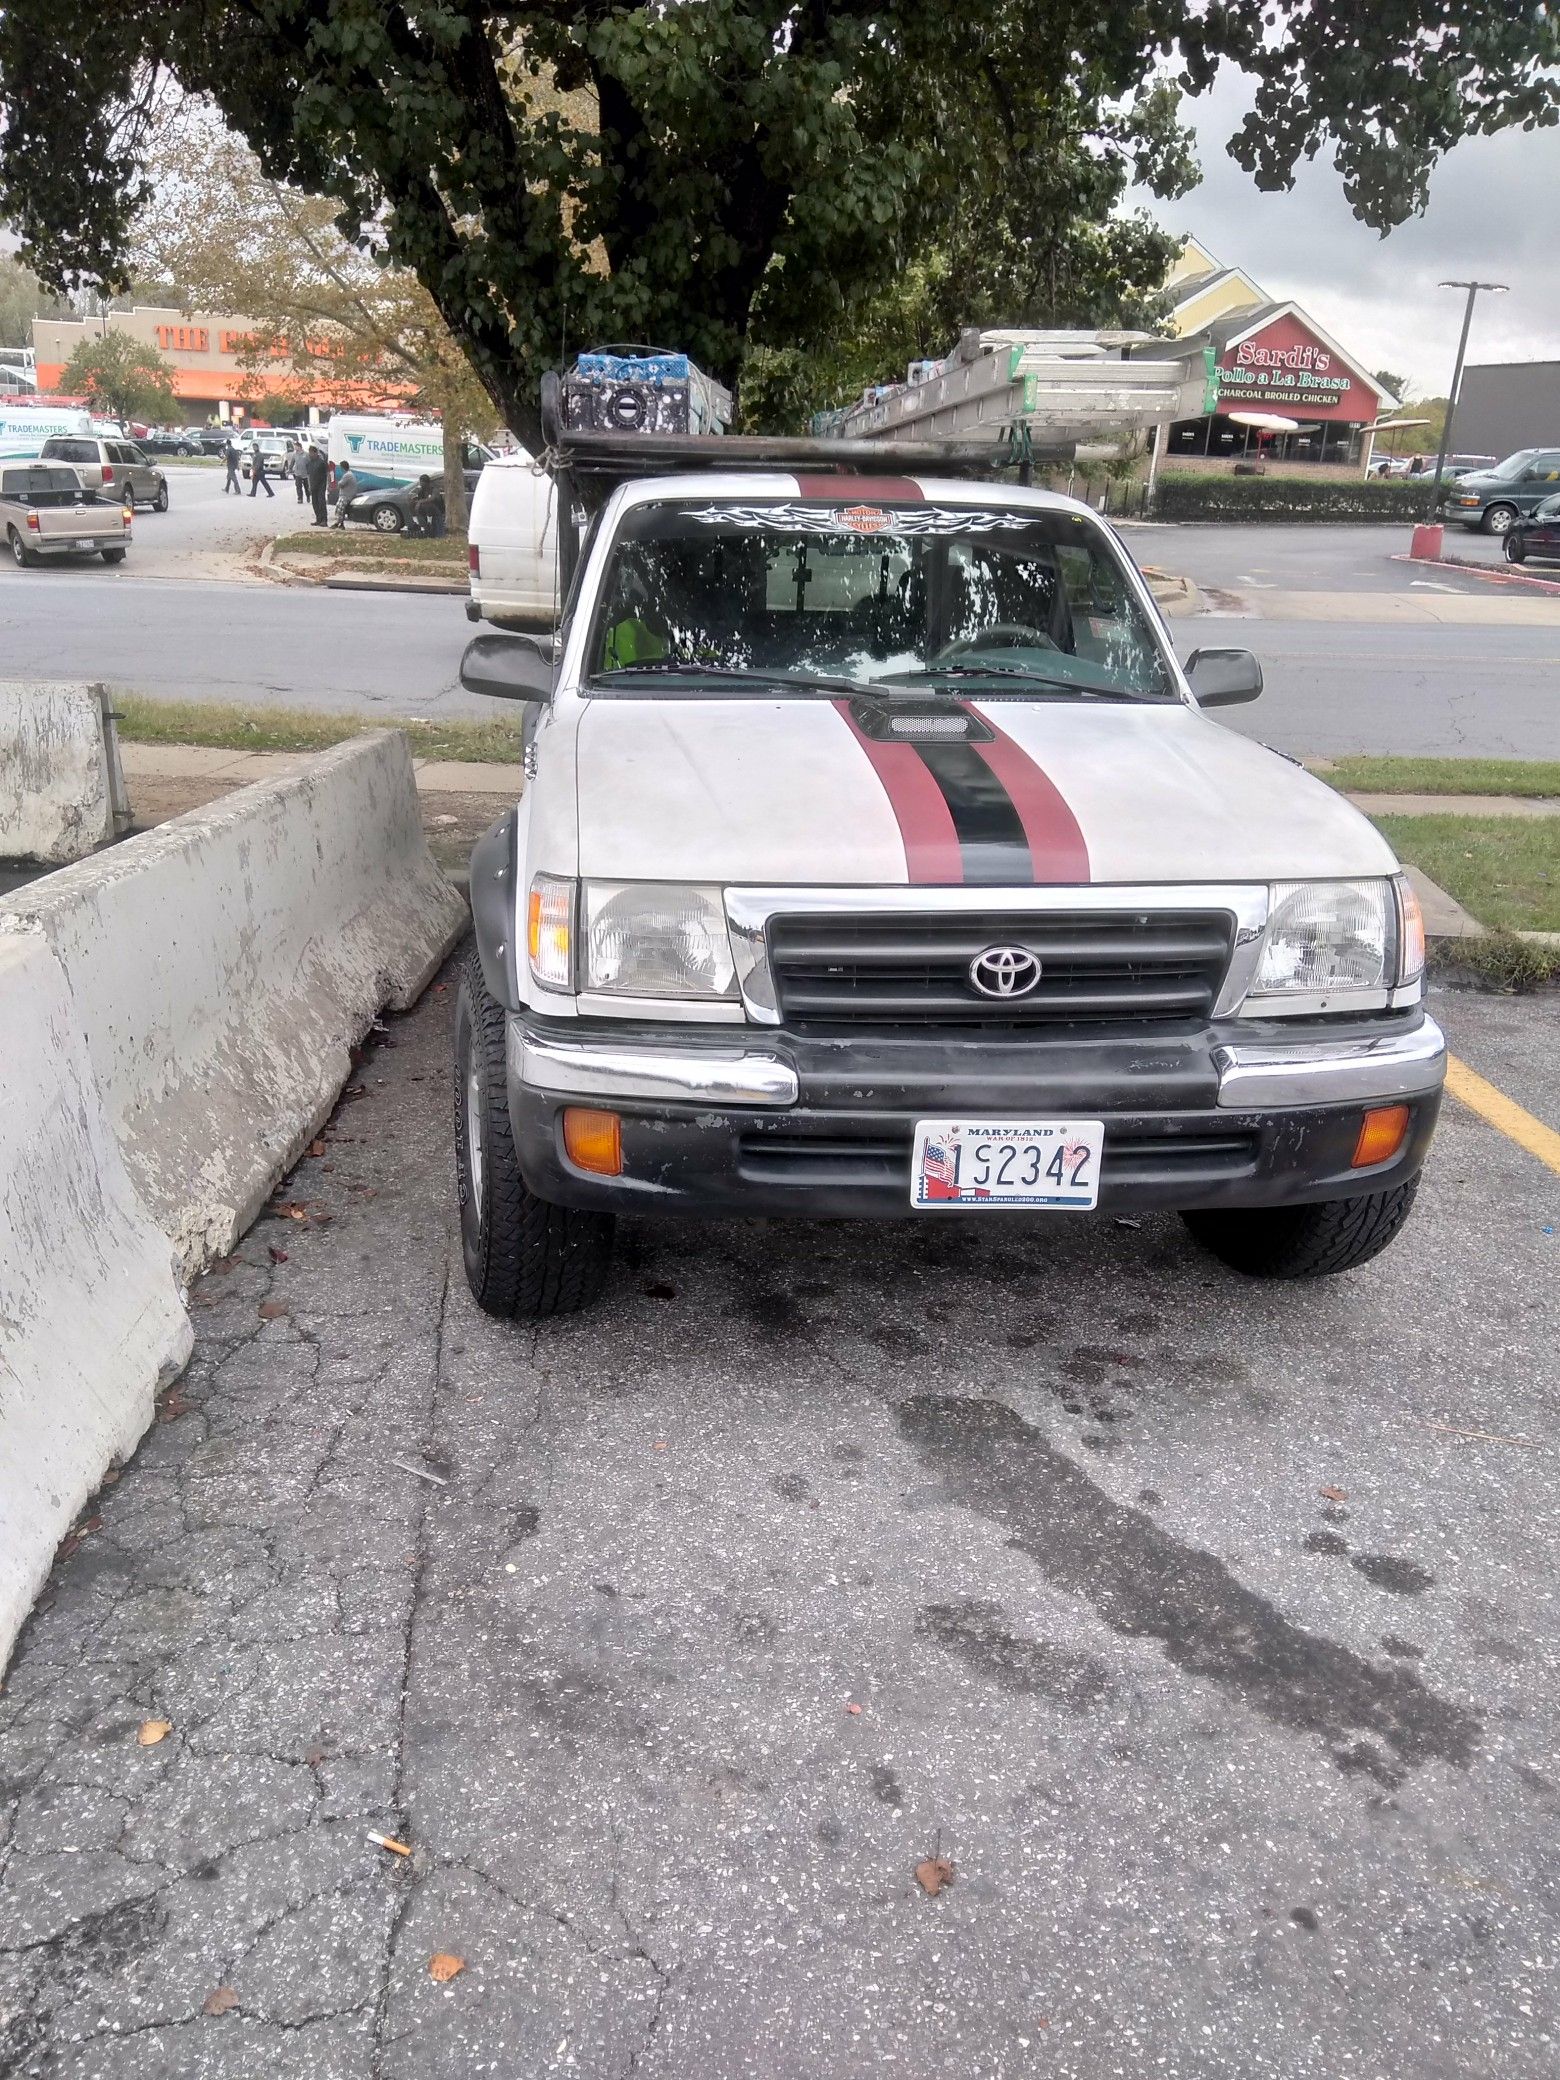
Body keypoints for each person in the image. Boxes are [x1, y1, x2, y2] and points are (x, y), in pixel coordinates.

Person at [305, 441, 330, 526]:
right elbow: (308, 475)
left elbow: (328, 473)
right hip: (313, 485)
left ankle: (324, 520)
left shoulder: (322, 462)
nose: (310, 454)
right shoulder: (309, 463)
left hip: (321, 485)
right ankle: (318, 519)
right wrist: (309, 485)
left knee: (321, 503)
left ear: (316, 453)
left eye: (311, 453)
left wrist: (329, 484)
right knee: (314, 503)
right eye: (309, 453)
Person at [331, 463, 359, 528]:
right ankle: (341, 524)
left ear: (342, 468)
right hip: (348, 495)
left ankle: (337, 523)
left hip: (346, 496)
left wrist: (338, 482)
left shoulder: (347, 475)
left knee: (339, 508)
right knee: (341, 509)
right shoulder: (350, 474)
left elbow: (341, 484)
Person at [287, 440, 307, 504]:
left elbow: (309, 463)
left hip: (305, 473)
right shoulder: (294, 454)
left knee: (307, 487)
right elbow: (292, 463)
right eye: (294, 446)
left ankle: (308, 495)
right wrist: (289, 469)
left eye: (296, 446)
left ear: (300, 447)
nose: (295, 448)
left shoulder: (306, 454)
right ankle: (300, 498)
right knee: (298, 486)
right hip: (298, 473)